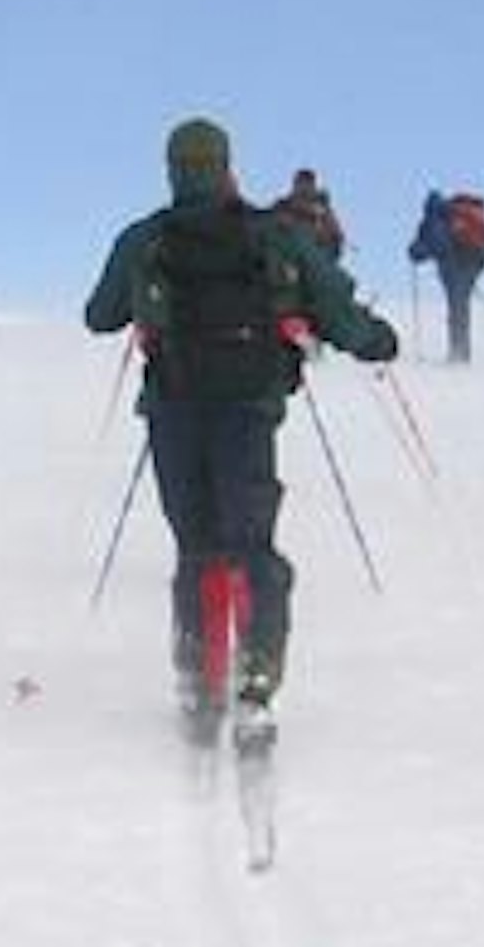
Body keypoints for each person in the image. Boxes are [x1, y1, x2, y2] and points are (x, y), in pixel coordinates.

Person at [84, 117, 399, 740]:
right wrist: (375, 340)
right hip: (249, 411)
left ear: (172, 169)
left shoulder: (145, 238)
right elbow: (335, 308)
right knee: (252, 543)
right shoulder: (274, 235)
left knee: (196, 545)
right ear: (227, 166)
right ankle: (256, 680)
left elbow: (99, 315)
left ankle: (199, 677)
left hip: (174, 408)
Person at [407, 189, 484, 364]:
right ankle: (460, 352)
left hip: (457, 268)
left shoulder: (435, 221)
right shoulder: (450, 217)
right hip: (473, 263)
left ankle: (459, 353)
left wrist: (417, 253)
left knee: (457, 309)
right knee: (459, 307)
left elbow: (437, 246)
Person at [273, 168, 345, 261]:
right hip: (289, 250)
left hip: (316, 254)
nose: (303, 188)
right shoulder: (284, 205)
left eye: (308, 184)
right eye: (300, 183)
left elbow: (337, 237)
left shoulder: (322, 210)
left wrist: (323, 211)